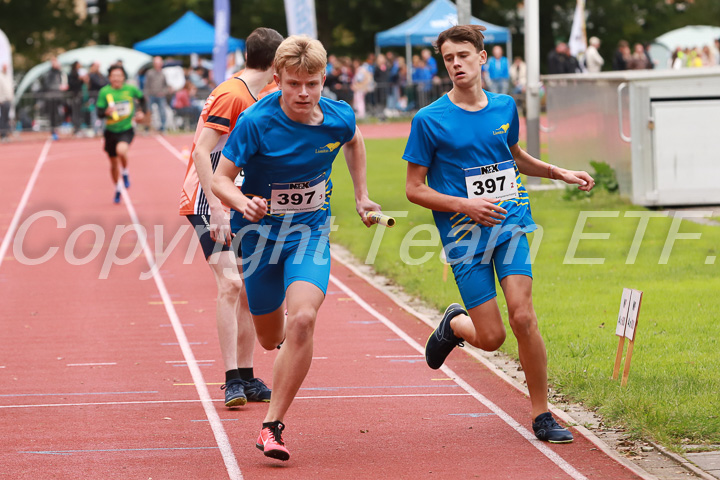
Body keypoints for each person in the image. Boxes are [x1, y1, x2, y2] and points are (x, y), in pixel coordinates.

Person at [403, 25, 595, 445]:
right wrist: (464, 205)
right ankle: (455, 324)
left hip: (510, 224)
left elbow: (513, 155)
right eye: (449, 57)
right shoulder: (429, 120)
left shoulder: (506, 106)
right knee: (491, 338)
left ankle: (542, 414)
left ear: (482, 58)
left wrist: (557, 171)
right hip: (464, 236)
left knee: (523, 315)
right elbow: (413, 188)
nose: (456, 64)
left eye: (464, 55)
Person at [212, 35, 380, 461]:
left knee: (303, 318)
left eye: (311, 83)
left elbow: (355, 141)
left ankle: (272, 426)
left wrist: (361, 195)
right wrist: (241, 201)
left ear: (324, 78)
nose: (302, 93)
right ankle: (285, 342)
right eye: (292, 84)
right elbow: (218, 178)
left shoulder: (338, 117)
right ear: (277, 79)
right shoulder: (256, 121)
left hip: (309, 232)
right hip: (259, 238)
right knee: (271, 339)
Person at [178, 27, 283, 411]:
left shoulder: (269, 94)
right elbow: (203, 152)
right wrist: (218, 206)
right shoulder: (231, 95)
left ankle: (247, 374)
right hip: (207, 198)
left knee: (247, 287)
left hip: (242, 197)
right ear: (275, 63)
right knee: (230, 283)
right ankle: (229, 380)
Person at [96, 65, 146, 203]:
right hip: (110, 131)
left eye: (119, 75)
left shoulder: (130, 89)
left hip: (126, 128)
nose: (116, 78)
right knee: (112, 164)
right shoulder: (105, 92)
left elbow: (142, 99)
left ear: (123, 77)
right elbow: (99, 113)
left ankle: (125, 171)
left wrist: (141, 111)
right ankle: (118, 187)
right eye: (114, 76)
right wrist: (106, 112)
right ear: (110, 78)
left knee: (121, 151)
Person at [144, 56, 169, 132]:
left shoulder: (163, 73)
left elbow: (166, 86)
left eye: (159, 63)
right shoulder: (149, 73)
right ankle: (147, 127)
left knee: (162, 111)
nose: (158, 65)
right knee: (148, 111)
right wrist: (146, 95)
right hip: (151, 95)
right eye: (156, 63)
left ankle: (163, 127)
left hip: (160, 95)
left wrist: (163, 92)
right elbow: (146, 85)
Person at [0, 63, 13, 141]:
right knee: (3, 118)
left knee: (6, 118)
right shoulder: (0, 76)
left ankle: (6, 134)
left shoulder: (7, 77)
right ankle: (3, 135)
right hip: (3, 100)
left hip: (8, 99)